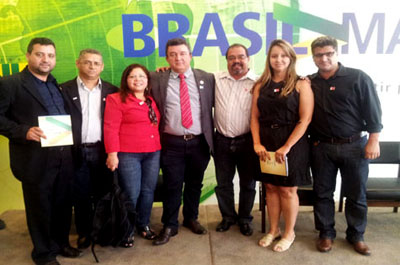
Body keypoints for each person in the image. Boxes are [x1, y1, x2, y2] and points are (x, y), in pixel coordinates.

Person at [0, 37, 81, 265]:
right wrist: (23, 131)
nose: (45, 59)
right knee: (40, 208)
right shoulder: (10, 83)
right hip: (35, 158)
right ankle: (43, 253)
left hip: (63, 156)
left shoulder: (56, 84)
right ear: (28, 56)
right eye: (40, 54)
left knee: (63, 205)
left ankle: (61, 243)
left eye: (50, 55)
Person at [309, 36, 382, 256]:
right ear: (313, 57)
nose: (324, 58)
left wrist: (374, 139)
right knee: (322, 193)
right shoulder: (309, 82)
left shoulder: (358, 78)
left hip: (355, 146)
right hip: (321, 147)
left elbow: (373, 111)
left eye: (329, 53)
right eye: (319, 55)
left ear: (337, 53)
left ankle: (356, 236)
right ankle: (326, 233)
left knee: (356, 194)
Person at [250, 39, 314, 252]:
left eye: (284, 56)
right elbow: (254, 118)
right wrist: (257, 143)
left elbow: (304, 120)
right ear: (269, 58)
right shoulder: (260, 85)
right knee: (270, 187)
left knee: (287, 189)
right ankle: (274, 229)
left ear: (291, 59)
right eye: (275, 55)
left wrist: (287, 147)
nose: (279, 60)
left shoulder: (300, 83)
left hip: (292, 144)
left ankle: (289, 233)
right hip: (266, 143)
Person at [150, 38, 215, 246]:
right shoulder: (156, 78)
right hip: (171, 143)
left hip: (199, 142)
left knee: (195, 183)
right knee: (172, 184)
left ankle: (191, 218)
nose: (178, 58)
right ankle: (170, 224)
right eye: (173, 54)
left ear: (190, 55)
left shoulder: (207, 78)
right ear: (167, 58)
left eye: (182, 53)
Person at [61, 49, 118, 249]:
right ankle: (84, 233)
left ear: (102, 66)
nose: (92, 66)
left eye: (96, 63)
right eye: (87, 62)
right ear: (78, 63)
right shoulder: (64, 90)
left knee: (104, 193)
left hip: (103, 150)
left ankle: (102, 231)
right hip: (75, 151)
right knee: (81, 195)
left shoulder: (113, 90)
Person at [104, 63, 161, 247]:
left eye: (141, 76)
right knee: (131, 193)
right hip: (129, 154)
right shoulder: (115, 99)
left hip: (153, 152)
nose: (138, 80)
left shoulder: (151, 100)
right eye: (133, 76)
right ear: (125, 80)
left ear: (147, 80)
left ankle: (143, 224)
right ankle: (126, 230)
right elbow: (111, 128)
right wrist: (112, 154)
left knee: (148, 191)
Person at [214, 44, 259, 236]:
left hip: (248, 141)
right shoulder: (215, 79)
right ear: (227, 61)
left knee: (248, 184)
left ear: (248, 59)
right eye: (232, 58)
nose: (236, 61)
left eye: (241, 57)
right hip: (222, 140)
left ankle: (245, 219)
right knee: (223, 183)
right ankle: (228, 217)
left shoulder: (259, 82)